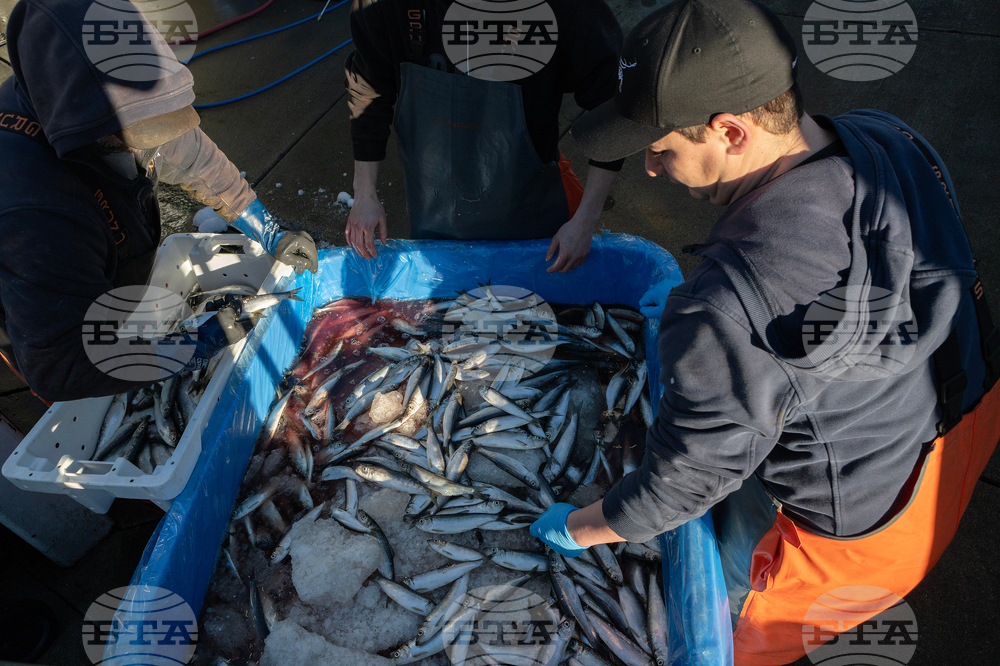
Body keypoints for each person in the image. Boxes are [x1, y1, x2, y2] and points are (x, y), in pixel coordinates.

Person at [530, 1, 1000, 664]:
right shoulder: (889, 138)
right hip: (957, 428)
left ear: (730, 131)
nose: (655, 171)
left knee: (729, 632)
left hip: (855, 538)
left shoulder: (726, 304)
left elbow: (683, 484)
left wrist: (582, 529)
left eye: (661, 150)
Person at [0, 0, 318, 403]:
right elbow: (60, 365)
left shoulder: (82, 90)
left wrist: (265, 227)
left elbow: (189, 152)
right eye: (137, 135)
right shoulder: (34, 215)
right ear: (85, 126)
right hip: (42, 309)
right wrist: (186, 349)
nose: (157, 144)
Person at [344, 0, 623, 272]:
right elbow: (369, 87)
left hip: (530, 208)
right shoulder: (382, 6)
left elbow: (612, 102)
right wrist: (364, 193)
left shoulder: (564, 9)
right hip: (432, 209)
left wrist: (586, 219)